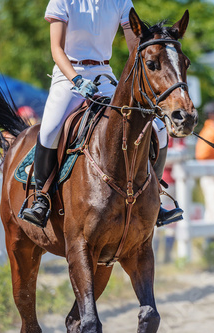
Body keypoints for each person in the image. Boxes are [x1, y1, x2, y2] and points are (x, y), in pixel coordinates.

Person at [21, 0, 182, 227]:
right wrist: (76, 79)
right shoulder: (63, 1)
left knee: (160, 129)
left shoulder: (120, 2)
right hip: (69, 73)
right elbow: (56, 50)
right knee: (49, 130)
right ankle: (41, 199)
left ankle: (154, 199)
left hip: (104, 72)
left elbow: (134, 46)